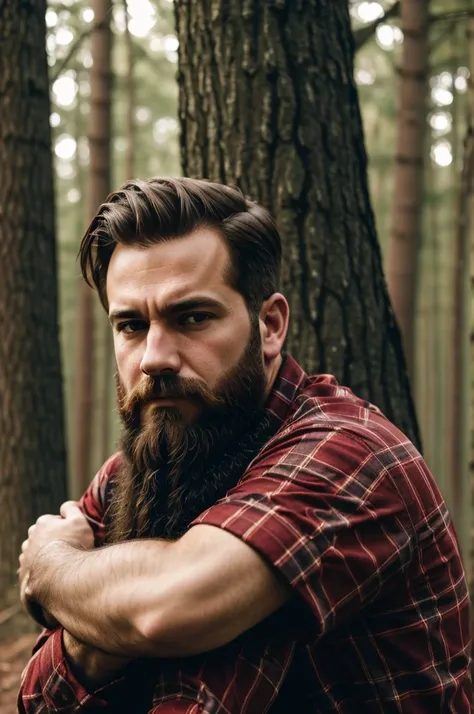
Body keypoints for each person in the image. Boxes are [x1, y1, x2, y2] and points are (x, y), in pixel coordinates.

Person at [18, 177, 472, 713]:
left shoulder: (352, 453)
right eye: (132, 326)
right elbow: (40, 699)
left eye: (191, 318)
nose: (154, 358)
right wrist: (94, 635)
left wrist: (53, 564)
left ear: (271, 325)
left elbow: (167, 610)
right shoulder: (130, 473)